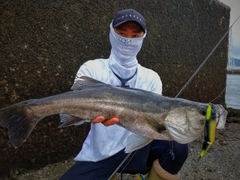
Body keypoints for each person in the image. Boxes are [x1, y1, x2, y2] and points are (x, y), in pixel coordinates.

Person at [60, 9, 188, 180]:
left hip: (138, 149)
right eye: (122, 33)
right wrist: (86, 114)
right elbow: (72, 117)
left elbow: (154, 126)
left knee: (177, 147)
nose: (128, 40)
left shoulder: (151, 78)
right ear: (111, 33)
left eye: (135, 35)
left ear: (143, 38)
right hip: (101, 151)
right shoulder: (91, 70)